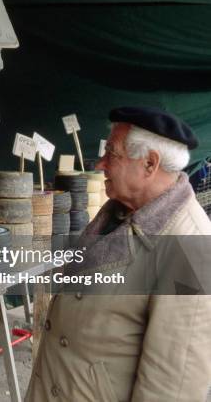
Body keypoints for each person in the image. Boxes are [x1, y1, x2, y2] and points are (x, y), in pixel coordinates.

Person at [26, 107, 211, 401]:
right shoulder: (118, 212)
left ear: (150, 163)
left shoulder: (189, 249)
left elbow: (172, 389)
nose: (100, 164)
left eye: (112, 153)